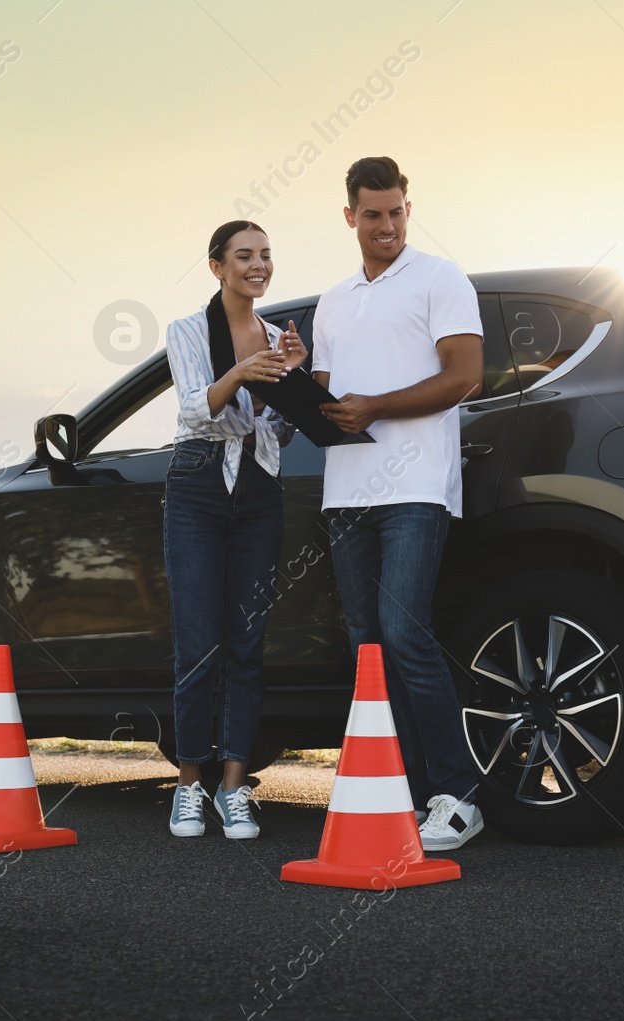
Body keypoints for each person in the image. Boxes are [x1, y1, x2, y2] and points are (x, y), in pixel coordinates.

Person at [312, 157, 486, 851]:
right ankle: (407, 797)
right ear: (349, 216)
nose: (386, 226)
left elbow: (465, 377)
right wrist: (299, 379)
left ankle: (458, 796)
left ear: (408, 208)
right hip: (345, 491)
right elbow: (327, 399)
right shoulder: (331, 299)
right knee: (368, 647)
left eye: (397, 211)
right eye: (373, 214)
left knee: (406, 634)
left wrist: (376, 405)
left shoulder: (441, 279)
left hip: (414, 487)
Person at [163, 220, 307, 840]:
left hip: (259, 491)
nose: (258, 265)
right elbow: (195, 408)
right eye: (244, 256)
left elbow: (279, 432)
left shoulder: (279, 337)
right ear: (217, 266)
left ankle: (233, 788)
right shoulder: (188, 330)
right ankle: (188, 786)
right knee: (199, 643)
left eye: (266, 255)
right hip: (197, 486)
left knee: (247, 642)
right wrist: (243, 372)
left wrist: (295, 380)